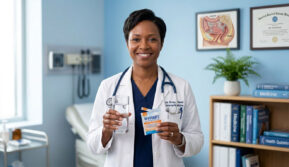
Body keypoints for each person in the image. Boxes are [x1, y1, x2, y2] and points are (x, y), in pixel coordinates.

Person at [87, 9, 203, 167]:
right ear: (127, 43)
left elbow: (197, 140)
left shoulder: (181, 87)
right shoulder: (108, 87)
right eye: (136, 39)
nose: (144, 46)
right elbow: (92, 144)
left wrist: (179, 139)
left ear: (161, 43)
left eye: (152, 39)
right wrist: (106, 131)